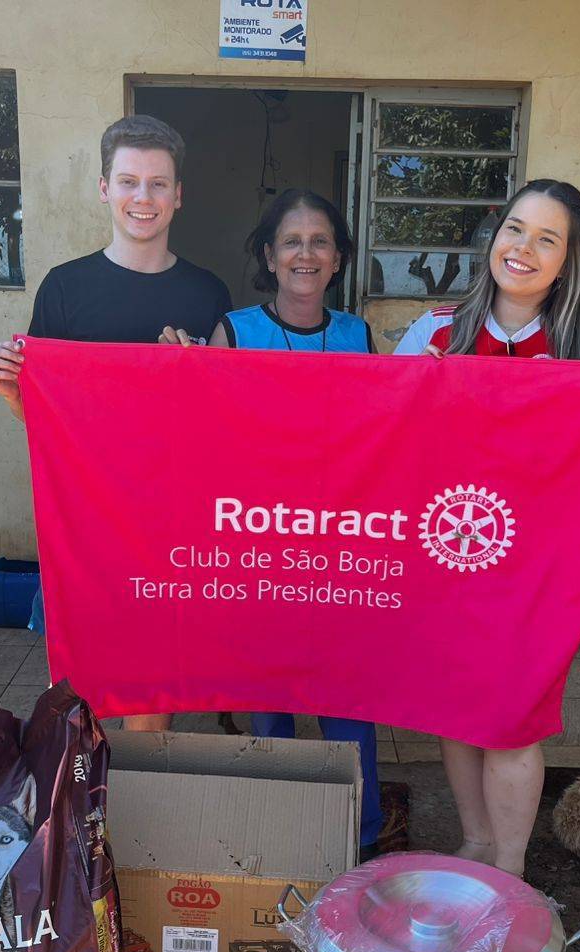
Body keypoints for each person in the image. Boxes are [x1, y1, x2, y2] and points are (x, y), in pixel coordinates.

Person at [394, 178, 580, 877]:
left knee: (514, 718)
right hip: (451, 551)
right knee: (457, 711)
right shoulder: (433, 332)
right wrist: (412, 396)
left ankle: (511, 871)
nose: (523, 249)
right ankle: (475, 843)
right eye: (515, 229)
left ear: (568, 259)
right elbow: (389, 450)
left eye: (546, 239)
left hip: (537, 569)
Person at [177, 188, 406, 859]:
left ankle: (352, 839)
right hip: (259, 548)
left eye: (320, 242)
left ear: (337, 259)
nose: (305, 253)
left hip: (339, 550)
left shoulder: (357, 337)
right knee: (268, 703)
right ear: (270, 257)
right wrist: (178, 374)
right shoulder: (232, 331)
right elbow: (201, 435)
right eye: (291, 242)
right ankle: (274, 834)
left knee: (347, 702)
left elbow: (384, 437)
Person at [0, 115, 231, 732]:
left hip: (171, 517)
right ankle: (89, 810)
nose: (141, 199)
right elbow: (49, 430)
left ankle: (139, 805)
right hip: (86, 520)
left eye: (157, 184)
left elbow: (224, 426)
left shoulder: (208, 293)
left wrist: (192, 376)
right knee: (84, 684)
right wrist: (11, 390)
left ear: (179, 194)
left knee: (153, 683)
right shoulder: (64, 289)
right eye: (128, 181)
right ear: (103, 188)